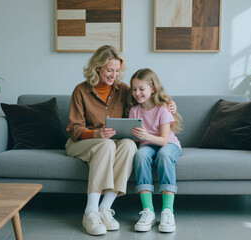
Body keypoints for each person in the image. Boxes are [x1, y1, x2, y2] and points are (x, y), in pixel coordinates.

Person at [65, 46, 176, 236]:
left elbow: (146, 102)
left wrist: (169, 104)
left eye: (117, 71)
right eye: (110, 70)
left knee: (128, 145)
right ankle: (90, 211)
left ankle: (105, 209)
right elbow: (74, 128)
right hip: (83, 142)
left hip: (113, 142)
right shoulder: (81, 90)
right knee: (106, 144)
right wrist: (95, 133)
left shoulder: (124, 90)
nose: (114, 75)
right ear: (97, 67)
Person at [127, 68, 182, 233]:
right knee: (141, 155)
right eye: (134, 89)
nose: (137, 93)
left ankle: (167, 211)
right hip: (147, 144)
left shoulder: (163, 109)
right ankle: (148, 211)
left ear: (152, 88)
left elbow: (164, 140)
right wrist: (133, 136)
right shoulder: (134, 111)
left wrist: (145, 135)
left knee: (164, 155)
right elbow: (137, 140)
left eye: (141, 89)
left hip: (167, 144)